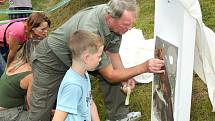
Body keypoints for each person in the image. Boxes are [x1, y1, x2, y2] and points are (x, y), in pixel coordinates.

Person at [28, 0, 164, 121]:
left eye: (131, 24)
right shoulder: (91, 30)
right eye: (126, 24)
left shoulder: (115, 23)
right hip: (51, 59)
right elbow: (110, 75)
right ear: (110, 18)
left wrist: (125, 77)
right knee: (41, 106)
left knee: (117, 76)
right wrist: (144, 67)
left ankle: (118, 117)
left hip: (81, 58)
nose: (129, 28)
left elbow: (113, 52)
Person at [52, 30, 102, 121]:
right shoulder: (73, 86)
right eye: (99, 56)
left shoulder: (84, 75)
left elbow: (89, 102)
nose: (100, 59)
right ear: (86, 58)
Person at [0, 39, 40, 121]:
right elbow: (31, 104)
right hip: (9, 113)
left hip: (3, 108)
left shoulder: (15, 62)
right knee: (41, 117)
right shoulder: (30, 75)